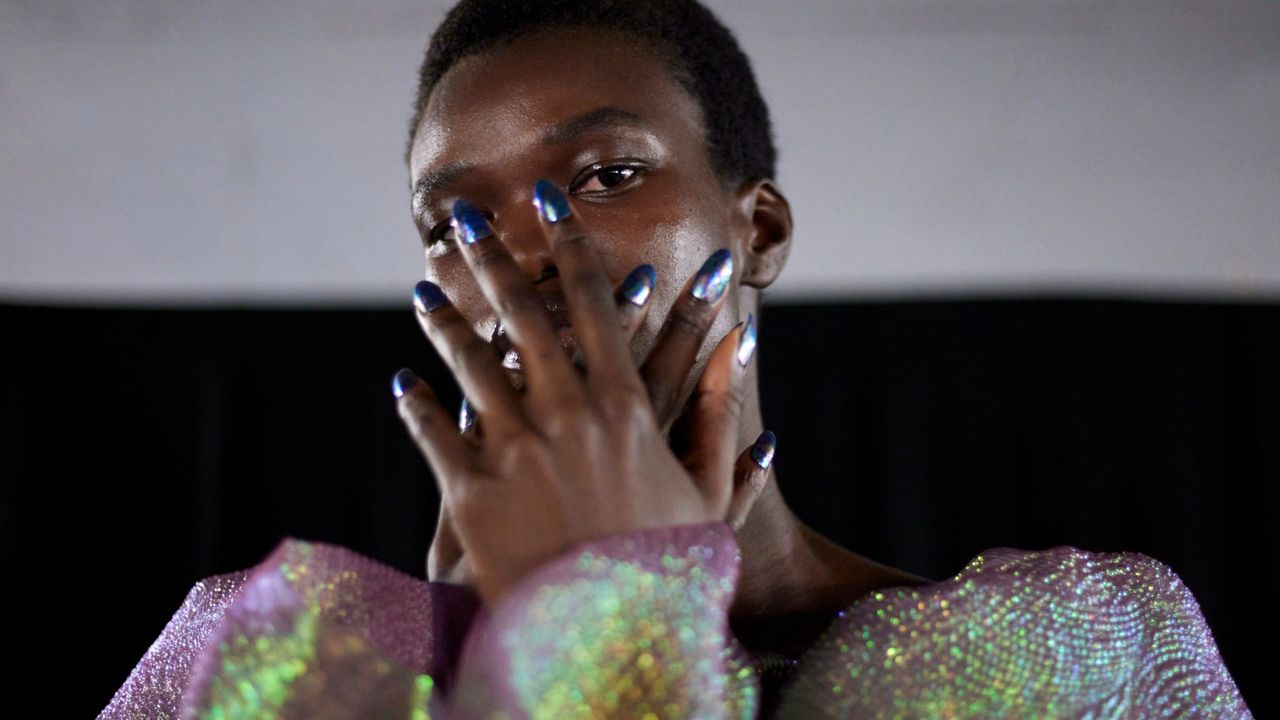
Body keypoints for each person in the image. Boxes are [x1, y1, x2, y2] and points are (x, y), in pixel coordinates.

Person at [98, 1, 1251, 718]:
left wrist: (609, 611)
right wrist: (447, 664)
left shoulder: (1085, 646)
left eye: (603, 176)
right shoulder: (262, 654)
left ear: (758, 230)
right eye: (459, 226)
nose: (531, 257)